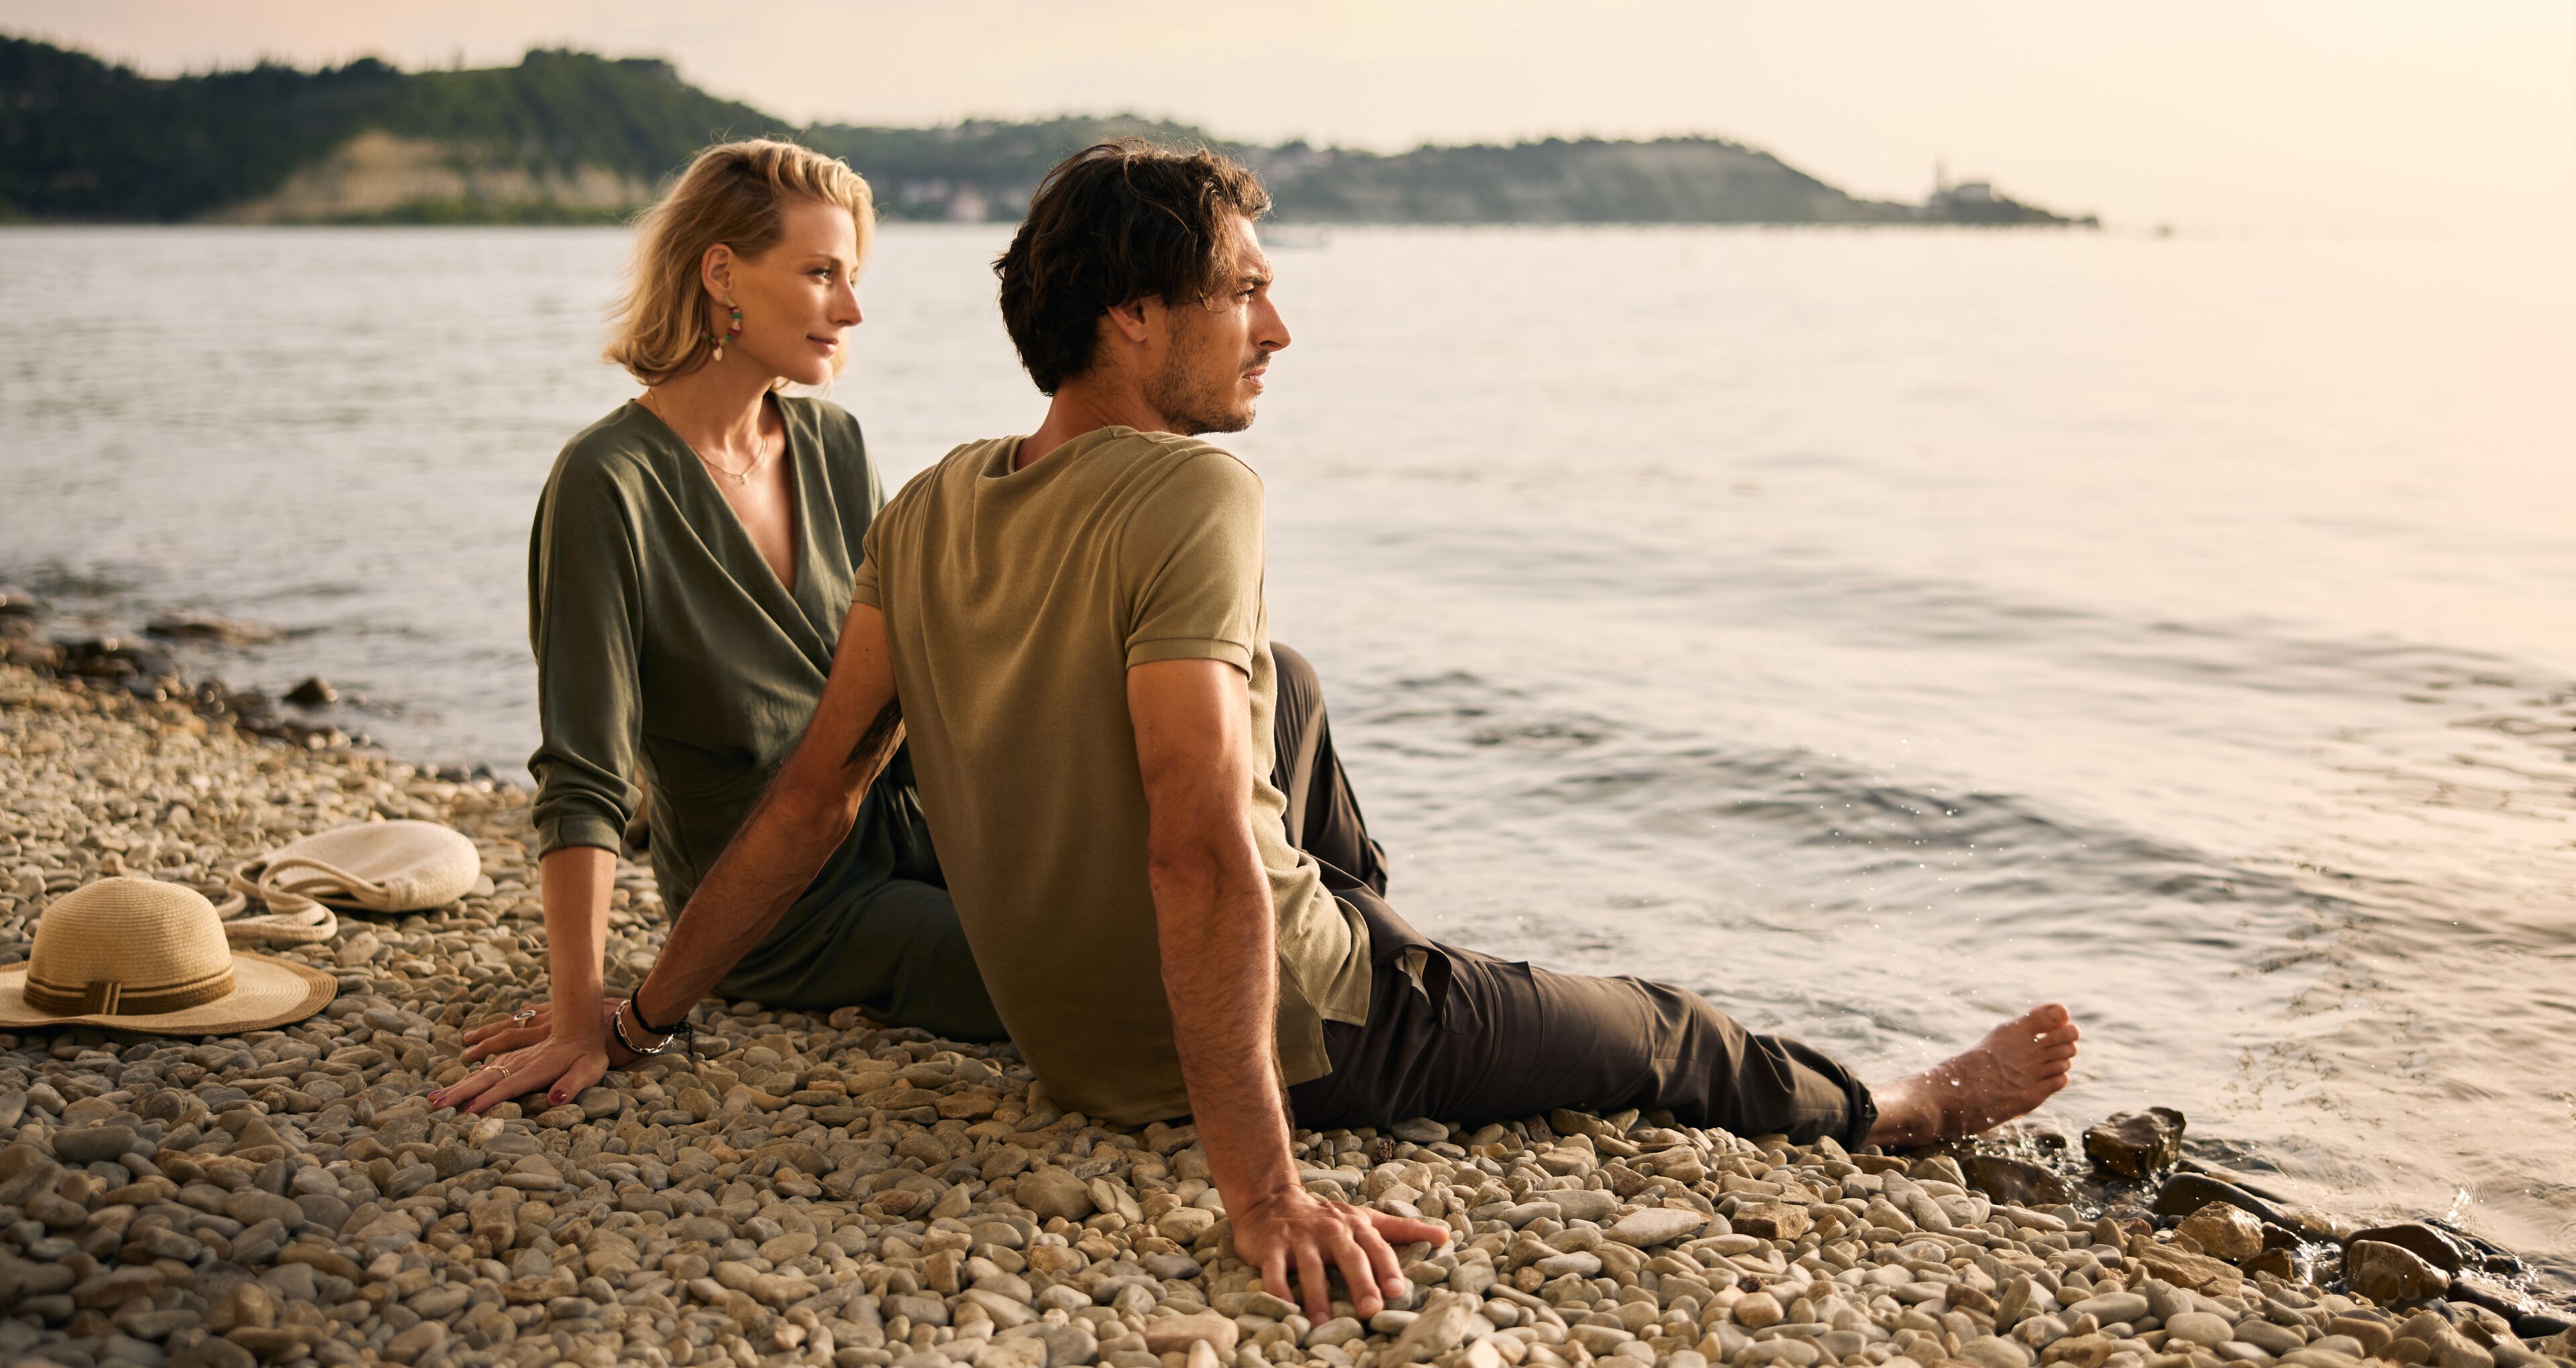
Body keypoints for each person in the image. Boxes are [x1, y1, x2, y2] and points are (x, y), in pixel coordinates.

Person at [578, 141, 2083, 1322]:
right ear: (1133, 316)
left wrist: (637, 1020)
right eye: (1245, 292)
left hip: (1069, 1041)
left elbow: (813, 797)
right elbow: (1188, 844)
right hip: (1279, 1039)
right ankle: (1897, 1105)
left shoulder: (932, 501)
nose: (1277, 329)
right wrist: (1263, 1196)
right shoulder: (1194, 495)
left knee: (1272, 679)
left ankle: (1381, 923)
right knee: (1661, 1029)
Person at [433, 139, 1002, 1111]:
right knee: (1055, 968)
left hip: (917, 822)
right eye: (822, 273)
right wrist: (583, 1016)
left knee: (1128, 895)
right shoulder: (606, 484)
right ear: (722, 272)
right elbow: (584, 771)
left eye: (852, 277)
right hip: (780, 909)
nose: (851, 309)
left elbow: (903, 679)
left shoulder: (834, 443)